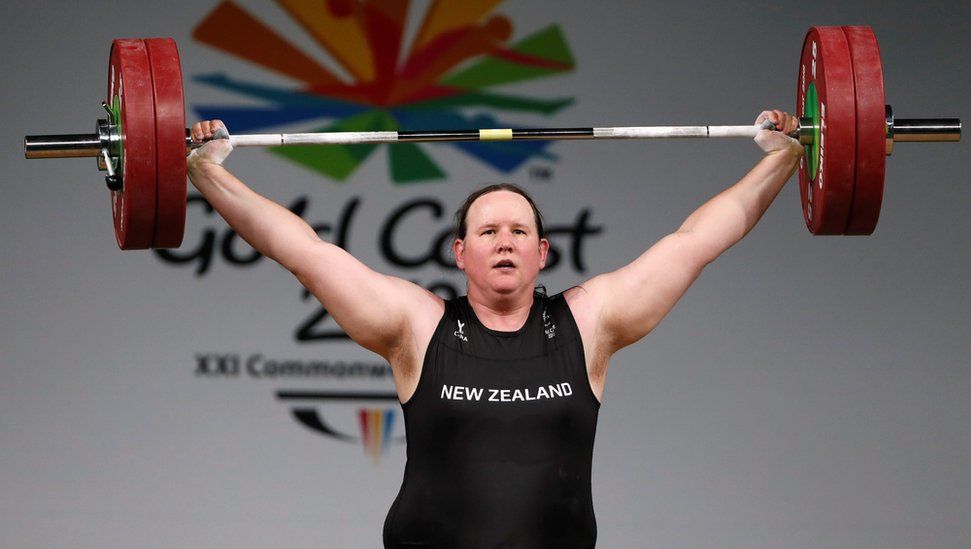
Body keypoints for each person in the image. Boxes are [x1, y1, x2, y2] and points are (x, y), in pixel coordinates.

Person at [186, 110, 802, 548]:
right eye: (487, 232)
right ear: (460, 253)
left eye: (518, 232)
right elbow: (304, 251)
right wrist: (206, 170)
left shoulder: (590, 322)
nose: (504, 242)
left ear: (543, 253)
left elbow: (695, 242)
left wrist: (784, 158)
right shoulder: (415, 326)